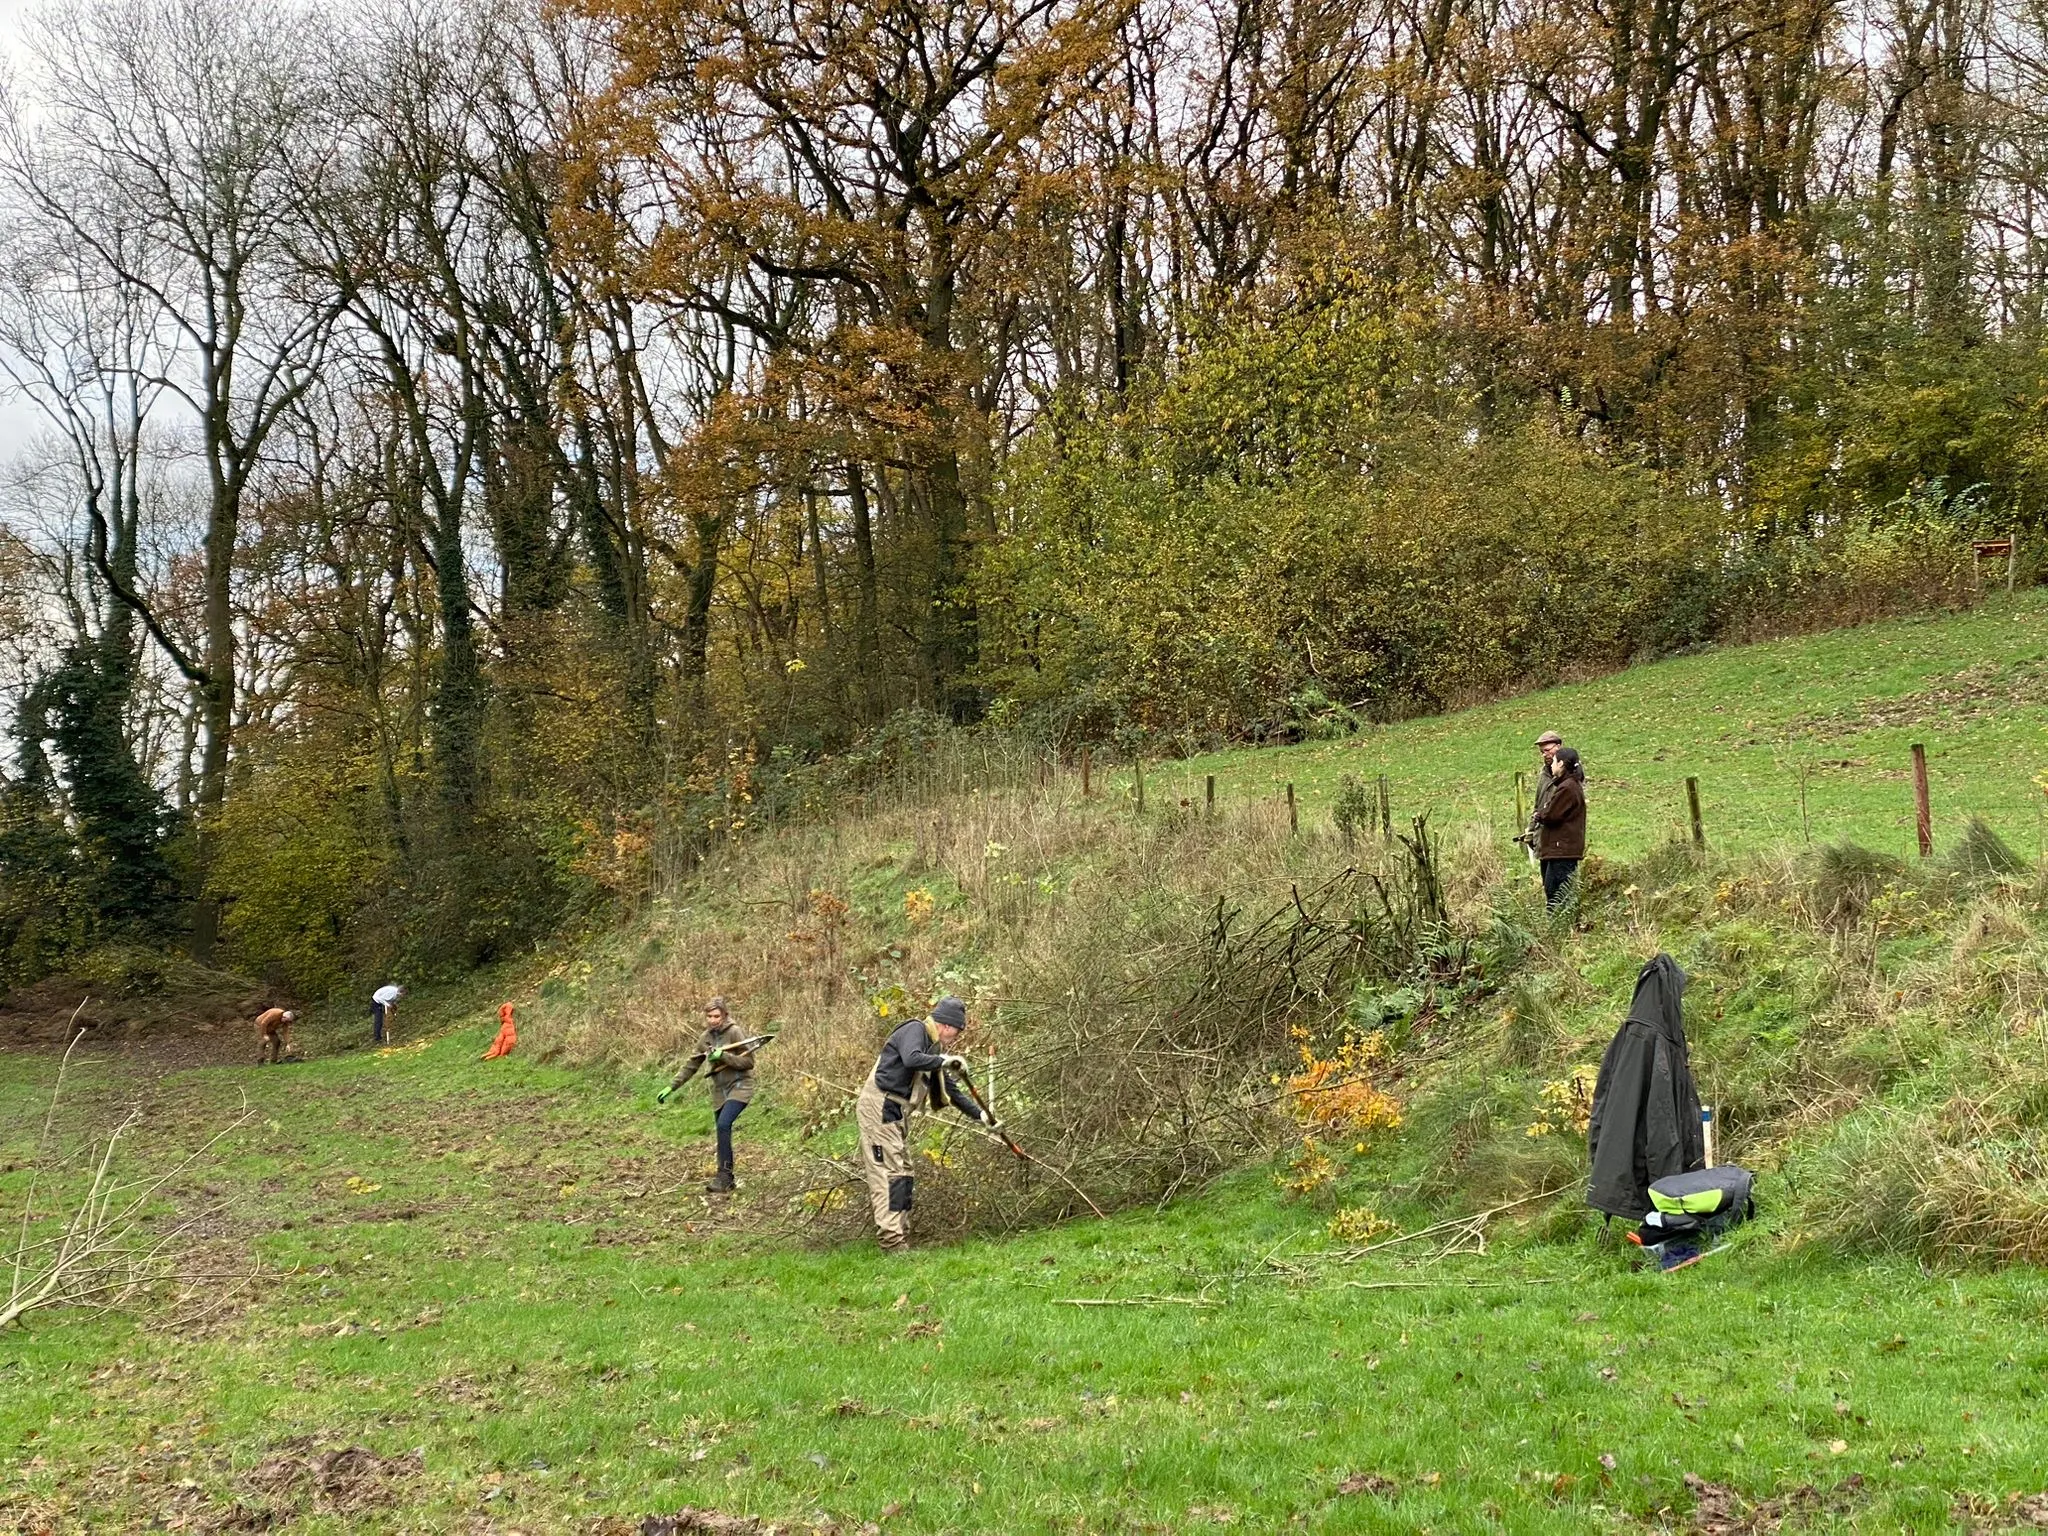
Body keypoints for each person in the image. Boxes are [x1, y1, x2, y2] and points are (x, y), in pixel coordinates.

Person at [854, 995, 997, 1253]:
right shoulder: (915, 1030)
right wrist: (945, 1060)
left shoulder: (931, 1050)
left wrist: (981, 1116)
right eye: (957, 1031)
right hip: (879, 1108)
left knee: (904, 1173)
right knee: (889, 1173)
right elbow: (911, 1058)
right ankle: (892, 1242)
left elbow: (951, 1091)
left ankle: (901, 1237)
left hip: (896, 1112)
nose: (955, 1038)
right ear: (948, 1026)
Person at [660, 997, 757, 1193]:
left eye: (716, 1016)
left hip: (740, 1086)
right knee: (722, 1132)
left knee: (724, 1124)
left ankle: (723, 1177)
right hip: (719, 1091)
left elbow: (748, 1062)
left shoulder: (735, 1032)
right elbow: (692, 1064)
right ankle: (727, 1178)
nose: (713, 1020)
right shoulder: (705, 1038)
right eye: (709, 1016)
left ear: (725, 1015)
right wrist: (672, 1087)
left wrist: (723, 1056)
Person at [1534, 745, 1586, 909]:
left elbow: (1552, 814)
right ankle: (1560, 929)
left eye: (1555, 761)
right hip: (1559, 849)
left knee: (1557, 895)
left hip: (1562, 850)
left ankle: (1561, 930)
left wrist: (1539, 815)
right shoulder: (1568, 785)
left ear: (1562, 764)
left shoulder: (1567, 788)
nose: (1551, 764)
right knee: (1555, 893)